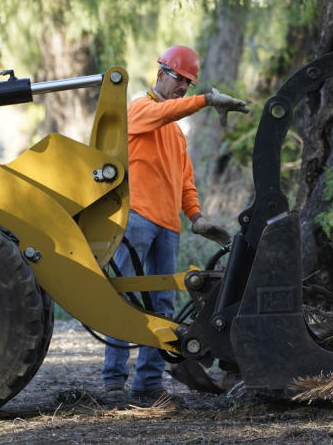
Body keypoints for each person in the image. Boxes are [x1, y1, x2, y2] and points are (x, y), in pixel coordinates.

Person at [101, 44, 249, 403]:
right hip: (136, 220)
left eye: (189, 82)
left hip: (168, 228)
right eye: (180, 79)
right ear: (161, 74)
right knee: (123, 299)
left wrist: (196, 218)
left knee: (161, 307)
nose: (183, 86)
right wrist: (206, 100)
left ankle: (148, 385)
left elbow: (185, 181)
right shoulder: (139, 110)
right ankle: (112, 383)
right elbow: (164, 112)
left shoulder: (176, 135)